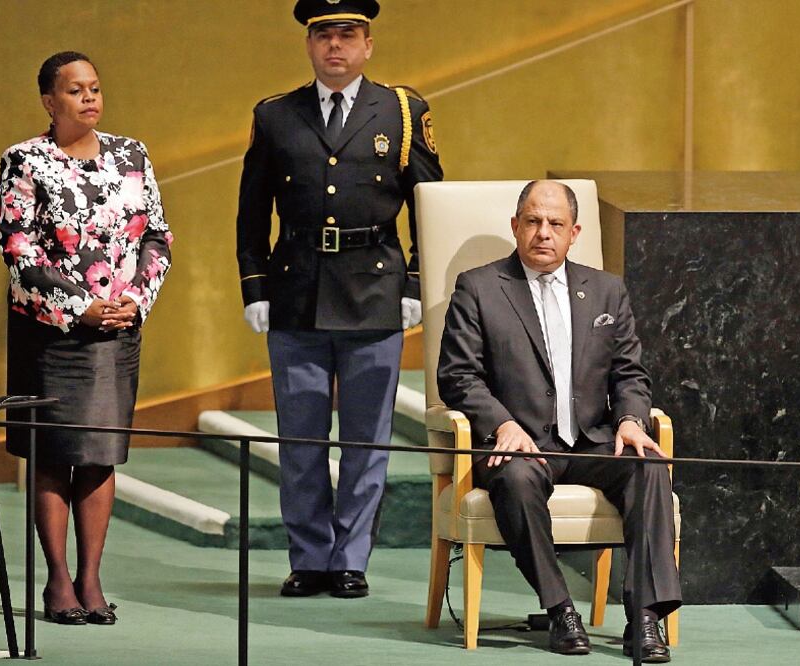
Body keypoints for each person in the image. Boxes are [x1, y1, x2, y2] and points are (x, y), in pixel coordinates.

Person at [236, 0, 443, 599]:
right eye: (324, 35)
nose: (335, 46)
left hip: (374, 289)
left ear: (368, 44)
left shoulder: (403, 111)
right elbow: (253, 211)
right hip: (296, 291)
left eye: (347, 35)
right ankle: (308, 558)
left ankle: (350, 559)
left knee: (364, 439)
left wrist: (413, 283)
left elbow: (430, 204)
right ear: (308, 44)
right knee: (300, 439)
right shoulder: (276, 115)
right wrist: (255, 286)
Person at [437, 181, 681, 660]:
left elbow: (629, 373)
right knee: (516, 479)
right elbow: (458, 375)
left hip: (591, 441)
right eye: (532, 221)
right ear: (515, 226)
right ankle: (560, 609)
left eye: (554, 224)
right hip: (520, 444)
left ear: (575, 233)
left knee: (648, 465)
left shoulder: (607, 290)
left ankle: (645, 617)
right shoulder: (480, 287)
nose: (542, 233)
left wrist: (631, 420)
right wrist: (502, 424)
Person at [0, 51, 172, 625]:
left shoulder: (131, 154)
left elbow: (158, 238)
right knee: (53, 457)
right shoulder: (25, 160)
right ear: (50, 101)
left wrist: (134, 301)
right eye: (76, 91)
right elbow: (17, 248)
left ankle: (92, 579)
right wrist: (82, 307)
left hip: (117, 330)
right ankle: (58, 581)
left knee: (98, 457)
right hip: (51, 333)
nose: (90, 98)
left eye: (95, 88)